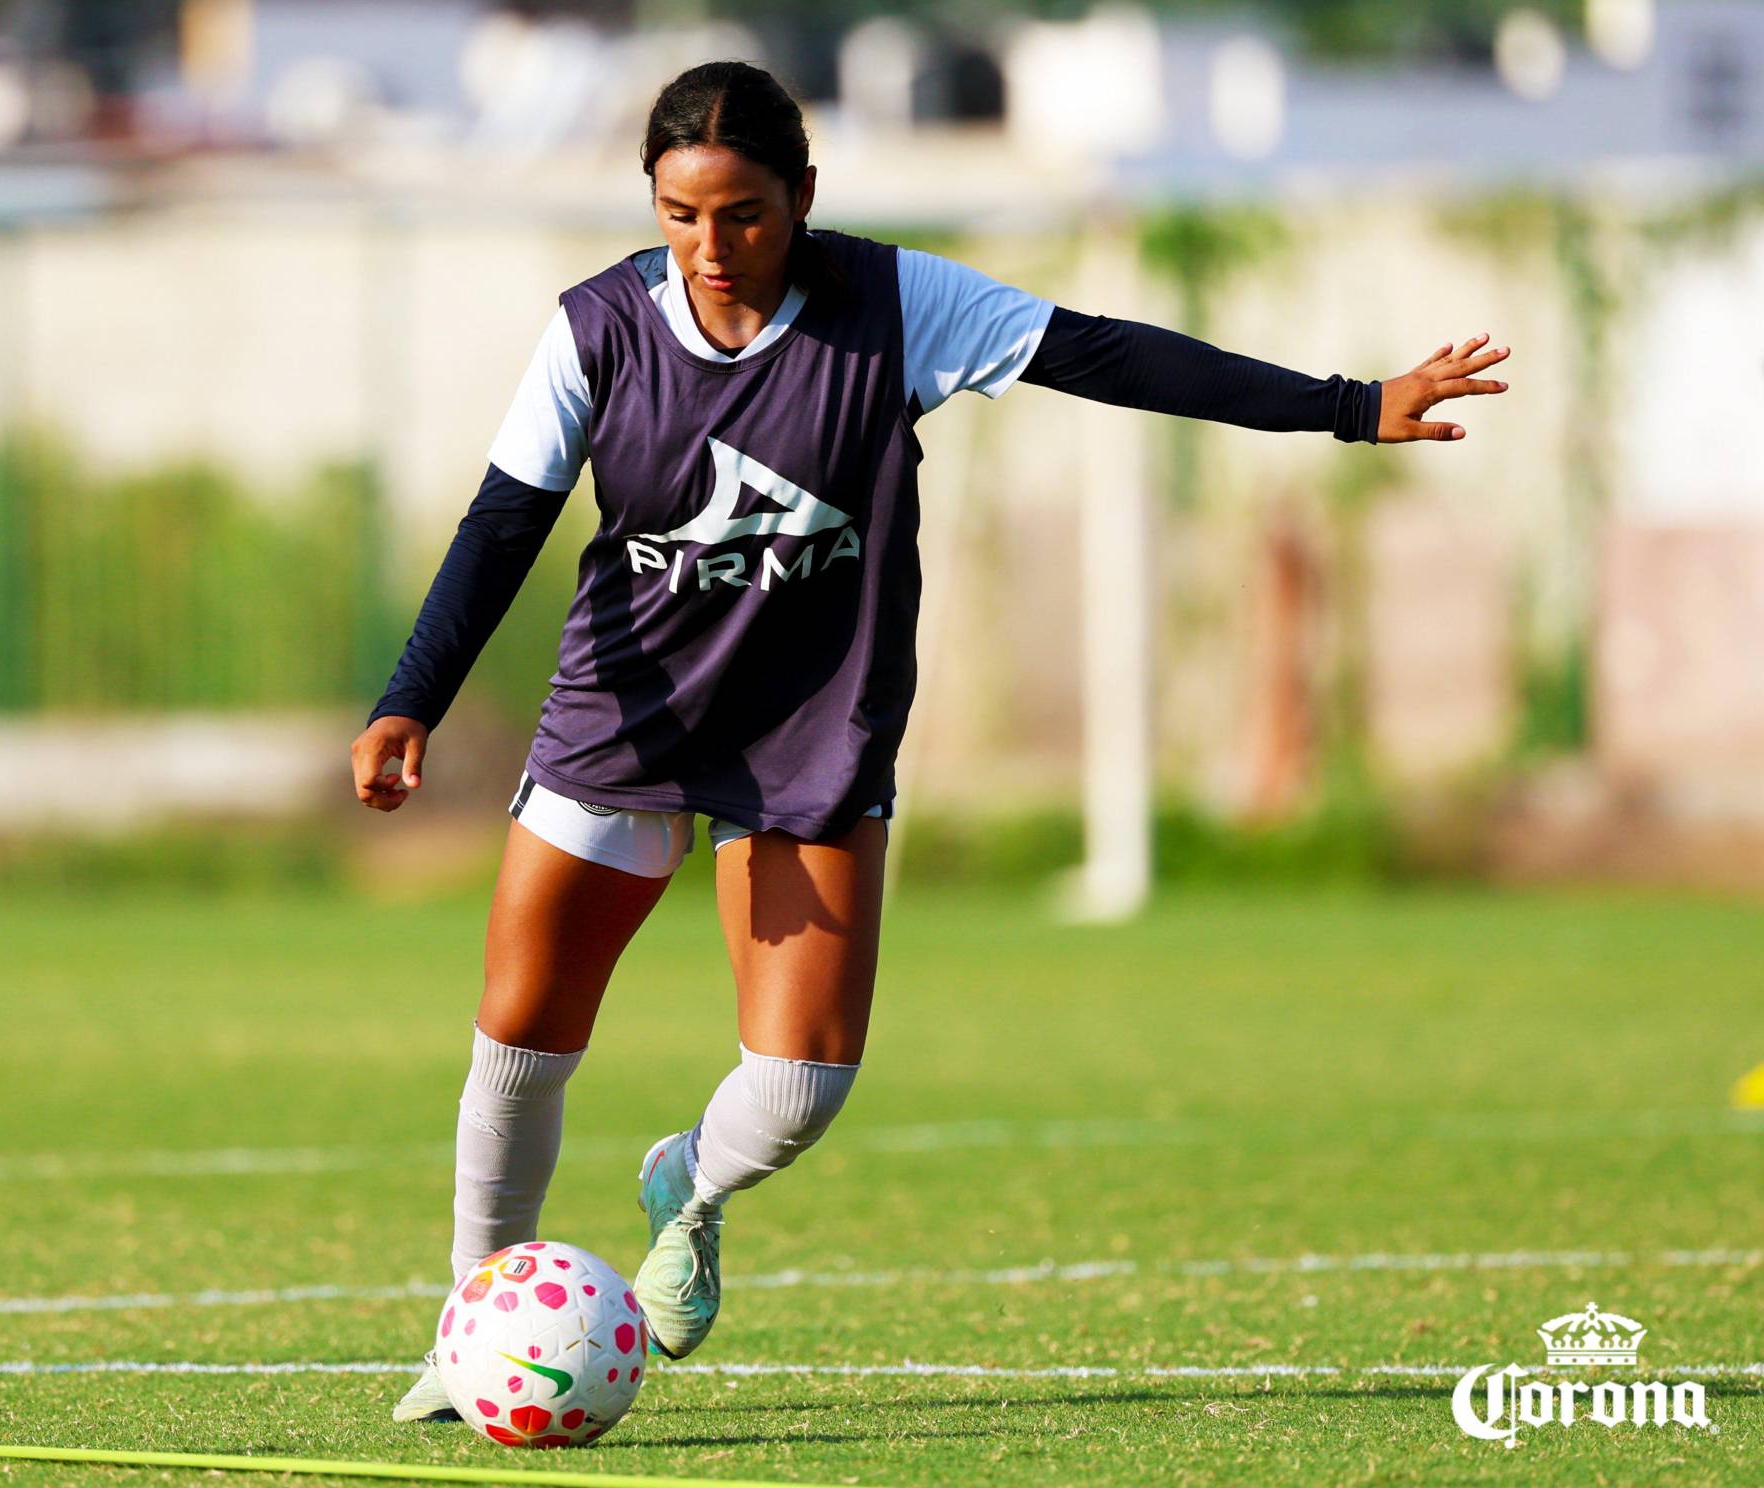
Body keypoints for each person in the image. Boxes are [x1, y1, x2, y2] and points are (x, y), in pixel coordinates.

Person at [348, 60, 1510, 1425]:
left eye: (745, 215)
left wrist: (1346, 402)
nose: (712, 248)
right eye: (679, 216)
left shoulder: (897, 306)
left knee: (797, 1087)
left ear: (804, 199)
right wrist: (409, 696)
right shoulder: (599, 328)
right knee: (523, 1039)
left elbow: (1106, 352)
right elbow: (502, 524)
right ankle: (472, 1323)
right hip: (627, 711)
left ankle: (693, 1189)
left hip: (809, 729)